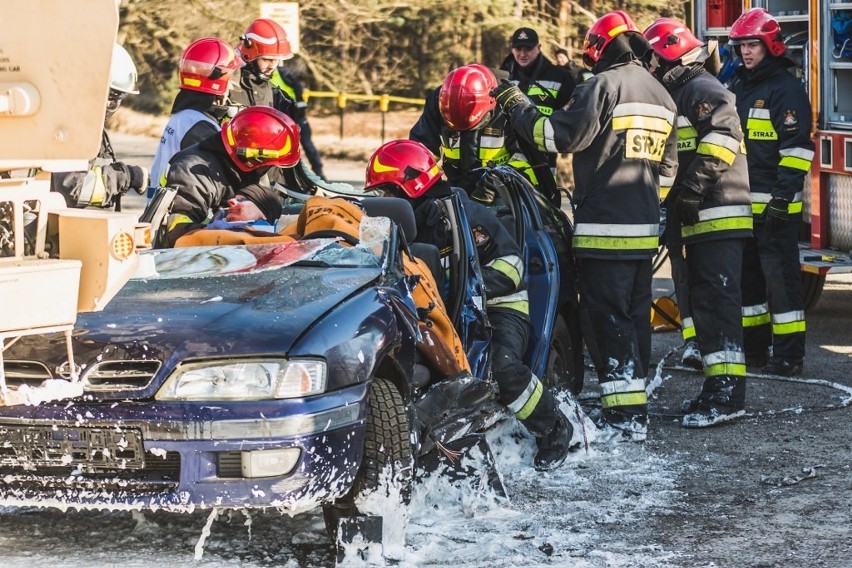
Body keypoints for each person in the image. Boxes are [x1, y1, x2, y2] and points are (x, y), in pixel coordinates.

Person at [493, 10, 678, 442]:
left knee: (607, 320)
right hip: (644, 230)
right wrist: (647, 208)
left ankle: (624, 418)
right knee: (633, 319)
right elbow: (668, 172)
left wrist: (515, 103)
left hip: (605, 230)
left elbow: (555, 137)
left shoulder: (603, 85)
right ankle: (635, 407)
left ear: (602, 47)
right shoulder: (662, 94)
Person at [364, 139, 578, 471]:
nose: (383, 203)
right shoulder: (404, 224)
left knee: (501, 365)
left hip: (502, 306)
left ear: (411, 184)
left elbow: (511, 266)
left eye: (386, 192)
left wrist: (474, 287)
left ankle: (554, 429)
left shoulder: (466, 215)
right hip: (443, 311)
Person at [644, 18, 753, 427]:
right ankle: (715, 388)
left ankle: (728, 397)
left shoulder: (703, 89)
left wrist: (690, 190)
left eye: (653, 58)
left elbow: (723, 137)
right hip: (699, 217)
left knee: (720, 304)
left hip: (717, 212)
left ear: (669, 54)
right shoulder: (681, 92)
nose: (649, 66)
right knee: (706, 303)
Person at [728, 8, 814, 377]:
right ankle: (755, 350)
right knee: (749, 280)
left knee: (781, 282)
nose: (746, 53)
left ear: (770, 46)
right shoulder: (739, 86)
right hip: (743, 200)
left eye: (753, 45)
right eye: (742, 46)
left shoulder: (786, 89)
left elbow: (797, 150)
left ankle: (789, 355)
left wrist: (783, 197)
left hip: (777, 205)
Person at [160, 106, 297, 247]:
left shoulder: (241, 168)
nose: (268, 168)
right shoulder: (192, 170)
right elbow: (176, 232)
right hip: (178, 258)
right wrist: (233, 233)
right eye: (268, 163)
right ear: (252, 157)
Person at [408, 64, 541, 202]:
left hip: (507, 197)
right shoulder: (438, 100)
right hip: (456, 191)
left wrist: (498, 183)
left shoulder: (512, 105)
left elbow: (529, 160)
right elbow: (421, 150)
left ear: (491, 102)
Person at [51, 44, 148, 210]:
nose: (113, 105)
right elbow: (74, 188)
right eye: (114, 97)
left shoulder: (76, 121)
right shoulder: (75, 127)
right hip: (57, 231)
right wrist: (126, 177)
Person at [149, 37, 243, 199]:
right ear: (218, 81)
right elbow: (219, 179)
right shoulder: (200, 126)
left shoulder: (185, 116)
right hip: (180, 216)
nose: (231, 85)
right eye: (229, 79)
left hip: (163, 210)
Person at [500, 28, 576, 175]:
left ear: (539, 48)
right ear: (512, 49)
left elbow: (569, 120)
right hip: (505, 158)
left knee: (543, 198)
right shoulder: (503, 76)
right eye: (518, 48)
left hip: (543, 159)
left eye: (528, 48)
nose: (522, 54)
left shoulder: (560, 77)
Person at [227, 18, 298, 117]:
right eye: (267, 59)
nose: (272, 66)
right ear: (249, 55)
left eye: (276, 60)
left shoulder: (279, 98)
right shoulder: (227, 88)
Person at [271, 65, 325, 179]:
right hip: (279, 117)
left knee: (307, 144)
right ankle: (288, 174)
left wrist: (300, 105)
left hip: (296, 114)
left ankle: (319, 172)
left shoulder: (284, 73)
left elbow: (298, 88)